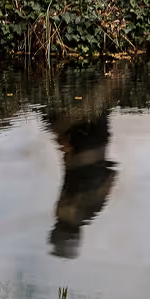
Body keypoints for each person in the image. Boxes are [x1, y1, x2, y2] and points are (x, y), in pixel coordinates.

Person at [45, 109, 117, 259]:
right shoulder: (72, 212)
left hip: (96, 137)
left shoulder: (90, 211)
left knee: (51, 117)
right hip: (86, 139)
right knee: (50, 115)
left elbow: (110, 173)